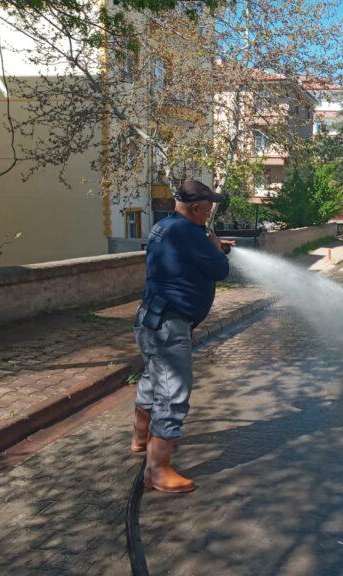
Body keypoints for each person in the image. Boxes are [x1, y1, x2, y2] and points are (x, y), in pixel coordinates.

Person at [130, 179, 234, 493]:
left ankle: (139, 439)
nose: (208, 215)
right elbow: (220, 271)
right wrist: (217, 250)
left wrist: (213, 248)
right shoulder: (190, 231)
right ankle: (157, 470)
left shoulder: (165, 226)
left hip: (150, 317)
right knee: (174, 393)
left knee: (151, 378)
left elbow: (188, 260)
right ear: (196, 207)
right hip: (170, 324)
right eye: (207, 210)